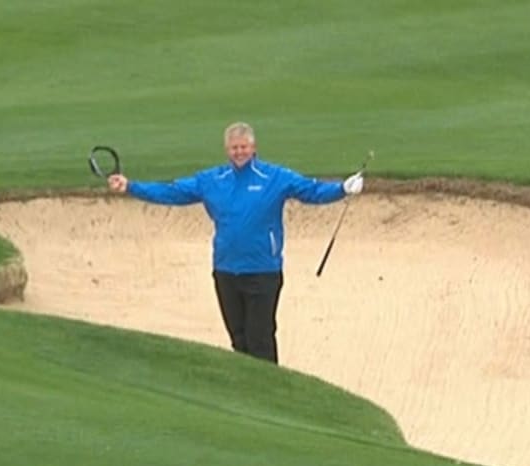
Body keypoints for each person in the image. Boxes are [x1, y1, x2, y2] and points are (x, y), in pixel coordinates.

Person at [107, 122, 363, 364]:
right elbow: (172, 192)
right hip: (226, 271)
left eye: (243, 147)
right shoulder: (212, 180)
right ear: (227, 150)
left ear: (253, 148)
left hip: (262, 271)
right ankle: (245, 399)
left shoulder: (274, 177)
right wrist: (131, 186)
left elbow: (312, 191)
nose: (239, 152)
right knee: (238, 339)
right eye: (234, 147)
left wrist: (342, 188)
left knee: (260, 338)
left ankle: (268, 394)